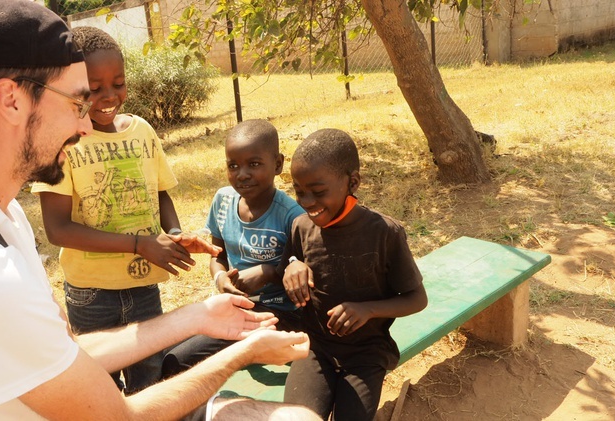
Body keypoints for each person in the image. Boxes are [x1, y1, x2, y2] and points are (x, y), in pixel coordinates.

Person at [0, 1, 316, 420]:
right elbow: (119, 416)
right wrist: (243, 353)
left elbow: (63, 355)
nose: (86, 124)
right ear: (11, 100)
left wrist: (198, 315)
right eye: (76, 103)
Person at [30, 25, 202, 394]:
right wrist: (140, 243)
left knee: (150, 380)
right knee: (99, 385)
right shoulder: (63, 142)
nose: (108, 96)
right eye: (94, 89)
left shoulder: (141, 131)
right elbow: (58, 229)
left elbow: (160, 194)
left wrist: (173, 235)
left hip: (144, 285)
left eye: (118, 83)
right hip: (92, 293)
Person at [281, 128, 428, 420]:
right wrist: (291, 265)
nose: (307, 201)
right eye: (299, 191)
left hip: (366, 353)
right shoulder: (300, 227)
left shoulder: (385, 233)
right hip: (316, 348)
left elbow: (417, 299)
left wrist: (368, 310)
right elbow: (285, 268)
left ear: (352, 182)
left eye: (319, 191)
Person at [162, 119, 305, 377]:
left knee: (178, 361)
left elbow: (303, 274)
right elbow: (218, 254)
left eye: (254, 164)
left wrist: (269, 273)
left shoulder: (292, 216)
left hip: (278, 314)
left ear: (278, 164)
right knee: (166, 349)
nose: (242, 174)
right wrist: (220, 278)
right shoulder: (223, 200)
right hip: (233, 305)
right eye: (233, 165)